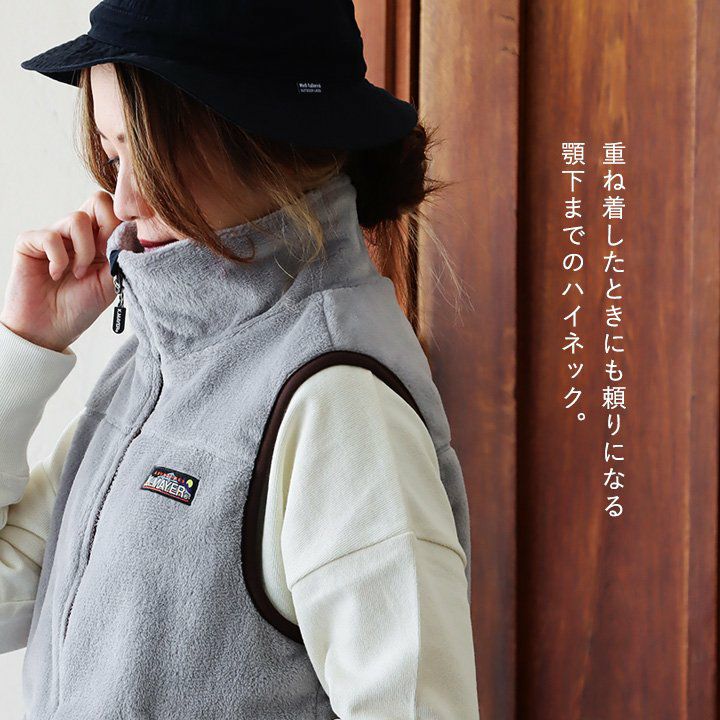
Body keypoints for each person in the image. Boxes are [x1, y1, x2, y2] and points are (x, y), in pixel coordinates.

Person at [1, 1, 479, 719]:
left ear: (261, 139)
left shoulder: (337, 399)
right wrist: (25, 346)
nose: (123, 200)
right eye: (114, 155)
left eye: (150, 157)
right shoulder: (156, 369)